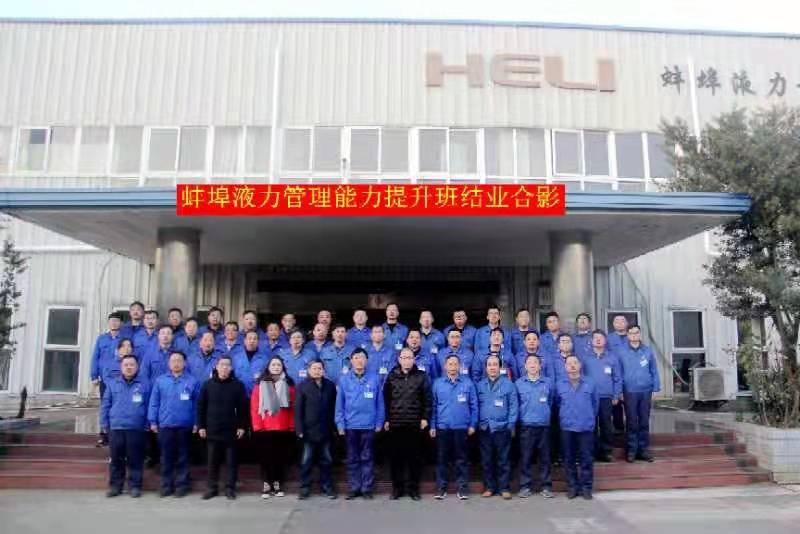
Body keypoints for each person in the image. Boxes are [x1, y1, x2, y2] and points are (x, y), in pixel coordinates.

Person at [147, 350, 199, 497]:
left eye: (179, 360)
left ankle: (182, 486)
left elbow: (197, 404)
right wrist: (152, 421)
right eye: (173, 361)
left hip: (185, 425)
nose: (176, 363)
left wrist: (197, 422)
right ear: (169, 363)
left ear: (184, 363)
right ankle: (166, 486)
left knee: (183, 457)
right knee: (166, 457)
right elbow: (154, 402)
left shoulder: (192, 381)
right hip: (165, 425)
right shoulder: (160, 381)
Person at [196, 355, 249, 500]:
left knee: (231, 462)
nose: (225, 367)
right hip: (212, 430)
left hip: (231, 431)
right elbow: (201, 406)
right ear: (216, 367)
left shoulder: (238, 385)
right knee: (212, 462)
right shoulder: (208, 385)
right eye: (222, 365)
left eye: (227, 365)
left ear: (231, 368)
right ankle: (211, 488)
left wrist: (242, 426)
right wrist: (201, 426)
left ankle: (230, 488)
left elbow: (243, 408)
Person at [383, 347, 432, 501]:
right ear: (399, 360)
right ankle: (397, 489)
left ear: (414, 360)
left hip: (415, 424)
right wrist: (386, 419)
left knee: (414, 459)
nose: (407, 360)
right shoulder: (391, 376)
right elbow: (386, 399)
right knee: (396, 459)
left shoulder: (422, 376)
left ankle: (413, 490)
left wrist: (425, 418)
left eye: (410, 358)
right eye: (404, 358)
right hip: (396, 423)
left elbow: (428, 399)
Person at [335, 348, 385, 500]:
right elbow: (339, 405)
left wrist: (379, 422)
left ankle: (366, 488)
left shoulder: (374, 378)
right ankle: (354, 487)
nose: (359, 360)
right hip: (350, 426)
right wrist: (340, 424)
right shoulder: (344, 379)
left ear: (366, 360)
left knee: (367, 457)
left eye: (362, 357)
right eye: (356, 357)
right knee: (352, 458)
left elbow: (380, 403)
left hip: (369, 426)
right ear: (351, 361)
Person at [100, 354, 151, 498]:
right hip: (116, 427)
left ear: (137, 367)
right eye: (126, 365)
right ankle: (115, 486)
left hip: (136, 428)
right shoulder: (113, 384)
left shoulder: (145, 384)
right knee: (116, 459)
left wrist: (148, 423)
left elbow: (149, 405)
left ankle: (135, 486)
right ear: (121, 367)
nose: (129, 367)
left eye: (132, 365)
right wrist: (104, 424)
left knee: (135, 458)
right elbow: (105, 405)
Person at [430, 354, 478, 500]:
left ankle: (462, 488)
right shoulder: (437, 384)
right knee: (442, 459)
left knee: (461, 459)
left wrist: (473, 424)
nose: (452, 367)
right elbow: (433, 406)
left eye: (455, 364)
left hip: (461, 428)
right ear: (445, 366)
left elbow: (474, 406)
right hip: (442, 427)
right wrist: (432, 425)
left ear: (459, 366)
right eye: (450, 364)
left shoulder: (468, 383)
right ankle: (441, 488)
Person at [250, 356, 296, 499]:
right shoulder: (260, 385)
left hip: (283, 427)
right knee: (266, 457)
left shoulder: (289, 384)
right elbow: (255, 407)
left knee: (280, 458)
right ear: (268, 367)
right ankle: (266, 483)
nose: (276, 367)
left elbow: (293, 408)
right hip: (265, 427)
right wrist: (257, 425)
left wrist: (291, 425)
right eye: (273, 365)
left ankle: (277, 483)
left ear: (282, 367)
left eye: (278, 365)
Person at [556, 355, 599, 500]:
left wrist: (589, 417)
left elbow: (595, 405)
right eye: (569, 363)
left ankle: (586, 487)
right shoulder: (560, 384)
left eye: (575, 363)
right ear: (565, 367)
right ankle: (572, 487)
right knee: (568, 459)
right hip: (567, 427)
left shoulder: (590, 383)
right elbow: (557, 403)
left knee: (586, 459)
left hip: (585, 427)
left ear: (580, 365)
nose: (572, 366)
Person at [476, 354, 518, 500]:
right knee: (487, 460)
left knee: (503, 460)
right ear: (486, 368)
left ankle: (504, 488)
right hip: (485, 428)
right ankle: (489, 487)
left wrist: (511, 424)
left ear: (500, 367)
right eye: (489, 365)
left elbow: (513, 406)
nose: (492, 367)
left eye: (495, 364)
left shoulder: (509, 385)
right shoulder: (480, 385)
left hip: (502, 428)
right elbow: (476, 406)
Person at [295, 359, 338, 500]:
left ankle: (327, 487)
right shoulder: (302, 386)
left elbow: (334, 408)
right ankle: (304, 488)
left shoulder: (330, 386)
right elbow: (298, 410)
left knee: (327, 460)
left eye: (319, 368)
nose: (317, 371)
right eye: (314, 368)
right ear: (309, 370)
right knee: (306, 461)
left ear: (323, 370)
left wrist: (335, 427)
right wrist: (299, 429)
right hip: (308, 431)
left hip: (325, 430)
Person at [617, 324, 660, 463]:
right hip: (629, 391)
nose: (634, 335)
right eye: (631, 333)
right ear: (627, 335)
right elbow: (618, 373)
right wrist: (619, 391)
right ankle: (631, 450)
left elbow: (654, 370)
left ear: (640, 334)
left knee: (644, 421)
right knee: (631, 422)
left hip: (645, 391)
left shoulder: (647, 351)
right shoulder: (621, 352)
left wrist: (655, 388)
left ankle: (643, 450)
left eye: (636, 333)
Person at [515, 353, 554, 498]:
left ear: (540, 366)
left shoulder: (548, 382)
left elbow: (551, 401)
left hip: (544, 425)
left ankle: (546, 486)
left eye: (535, 362)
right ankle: (525, 486)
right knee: (526, 457)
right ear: (525, 366)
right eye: (529, 362)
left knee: (545, 458)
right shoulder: (519, 383)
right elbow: (517, 404)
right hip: (526, 425)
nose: (532, 365)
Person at [581, 330, 622, 462]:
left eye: (601, 338)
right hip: (589, 398)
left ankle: (606, 451)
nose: (598, 340)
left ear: (605, 341)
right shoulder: (585, 358)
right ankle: (591, 452)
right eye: (596, 338)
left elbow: (617, 378)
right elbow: (581, 377)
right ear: (591, 341)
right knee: (591, 425)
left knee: (606, 424)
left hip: (606, 397)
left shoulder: (612, 357)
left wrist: (616, 395)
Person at [91, 312, 124, 446]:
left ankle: (115, 434)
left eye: (116, 321)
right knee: (105, 405)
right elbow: (95, 357)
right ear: (109, 323)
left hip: (119, 379)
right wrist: (94, 375)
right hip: (105, 379)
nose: (114, 323)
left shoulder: (124, 340)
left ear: (121, 323)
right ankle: (103, 434)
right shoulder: (102, 339)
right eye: (112, 321)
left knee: (118, 406)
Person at [231, 330, 270, 395]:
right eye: (249, 338)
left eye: (255, 339)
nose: (252, 341)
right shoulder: (236, 358)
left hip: (258, 394)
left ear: (258, 342)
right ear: (245, 341)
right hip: (239, 394)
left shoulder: (264, 359)